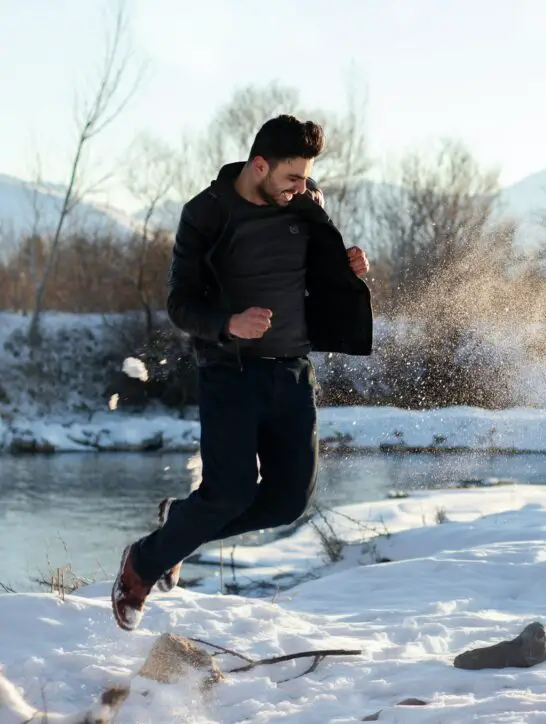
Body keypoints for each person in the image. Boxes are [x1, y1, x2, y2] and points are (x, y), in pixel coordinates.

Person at [112, 115, 373, 631]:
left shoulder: (305, 201)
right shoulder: (207, 214)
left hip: (293, 374)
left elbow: (315, 271)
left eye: (305, 178)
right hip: (230, 373)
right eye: (291, 178)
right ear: (260, 166)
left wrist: (351, 270)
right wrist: (229, 323)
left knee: (286, 502)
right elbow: (180, 304)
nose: (302, 188)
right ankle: (142, 565)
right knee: (228, 494)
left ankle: (180, 523)